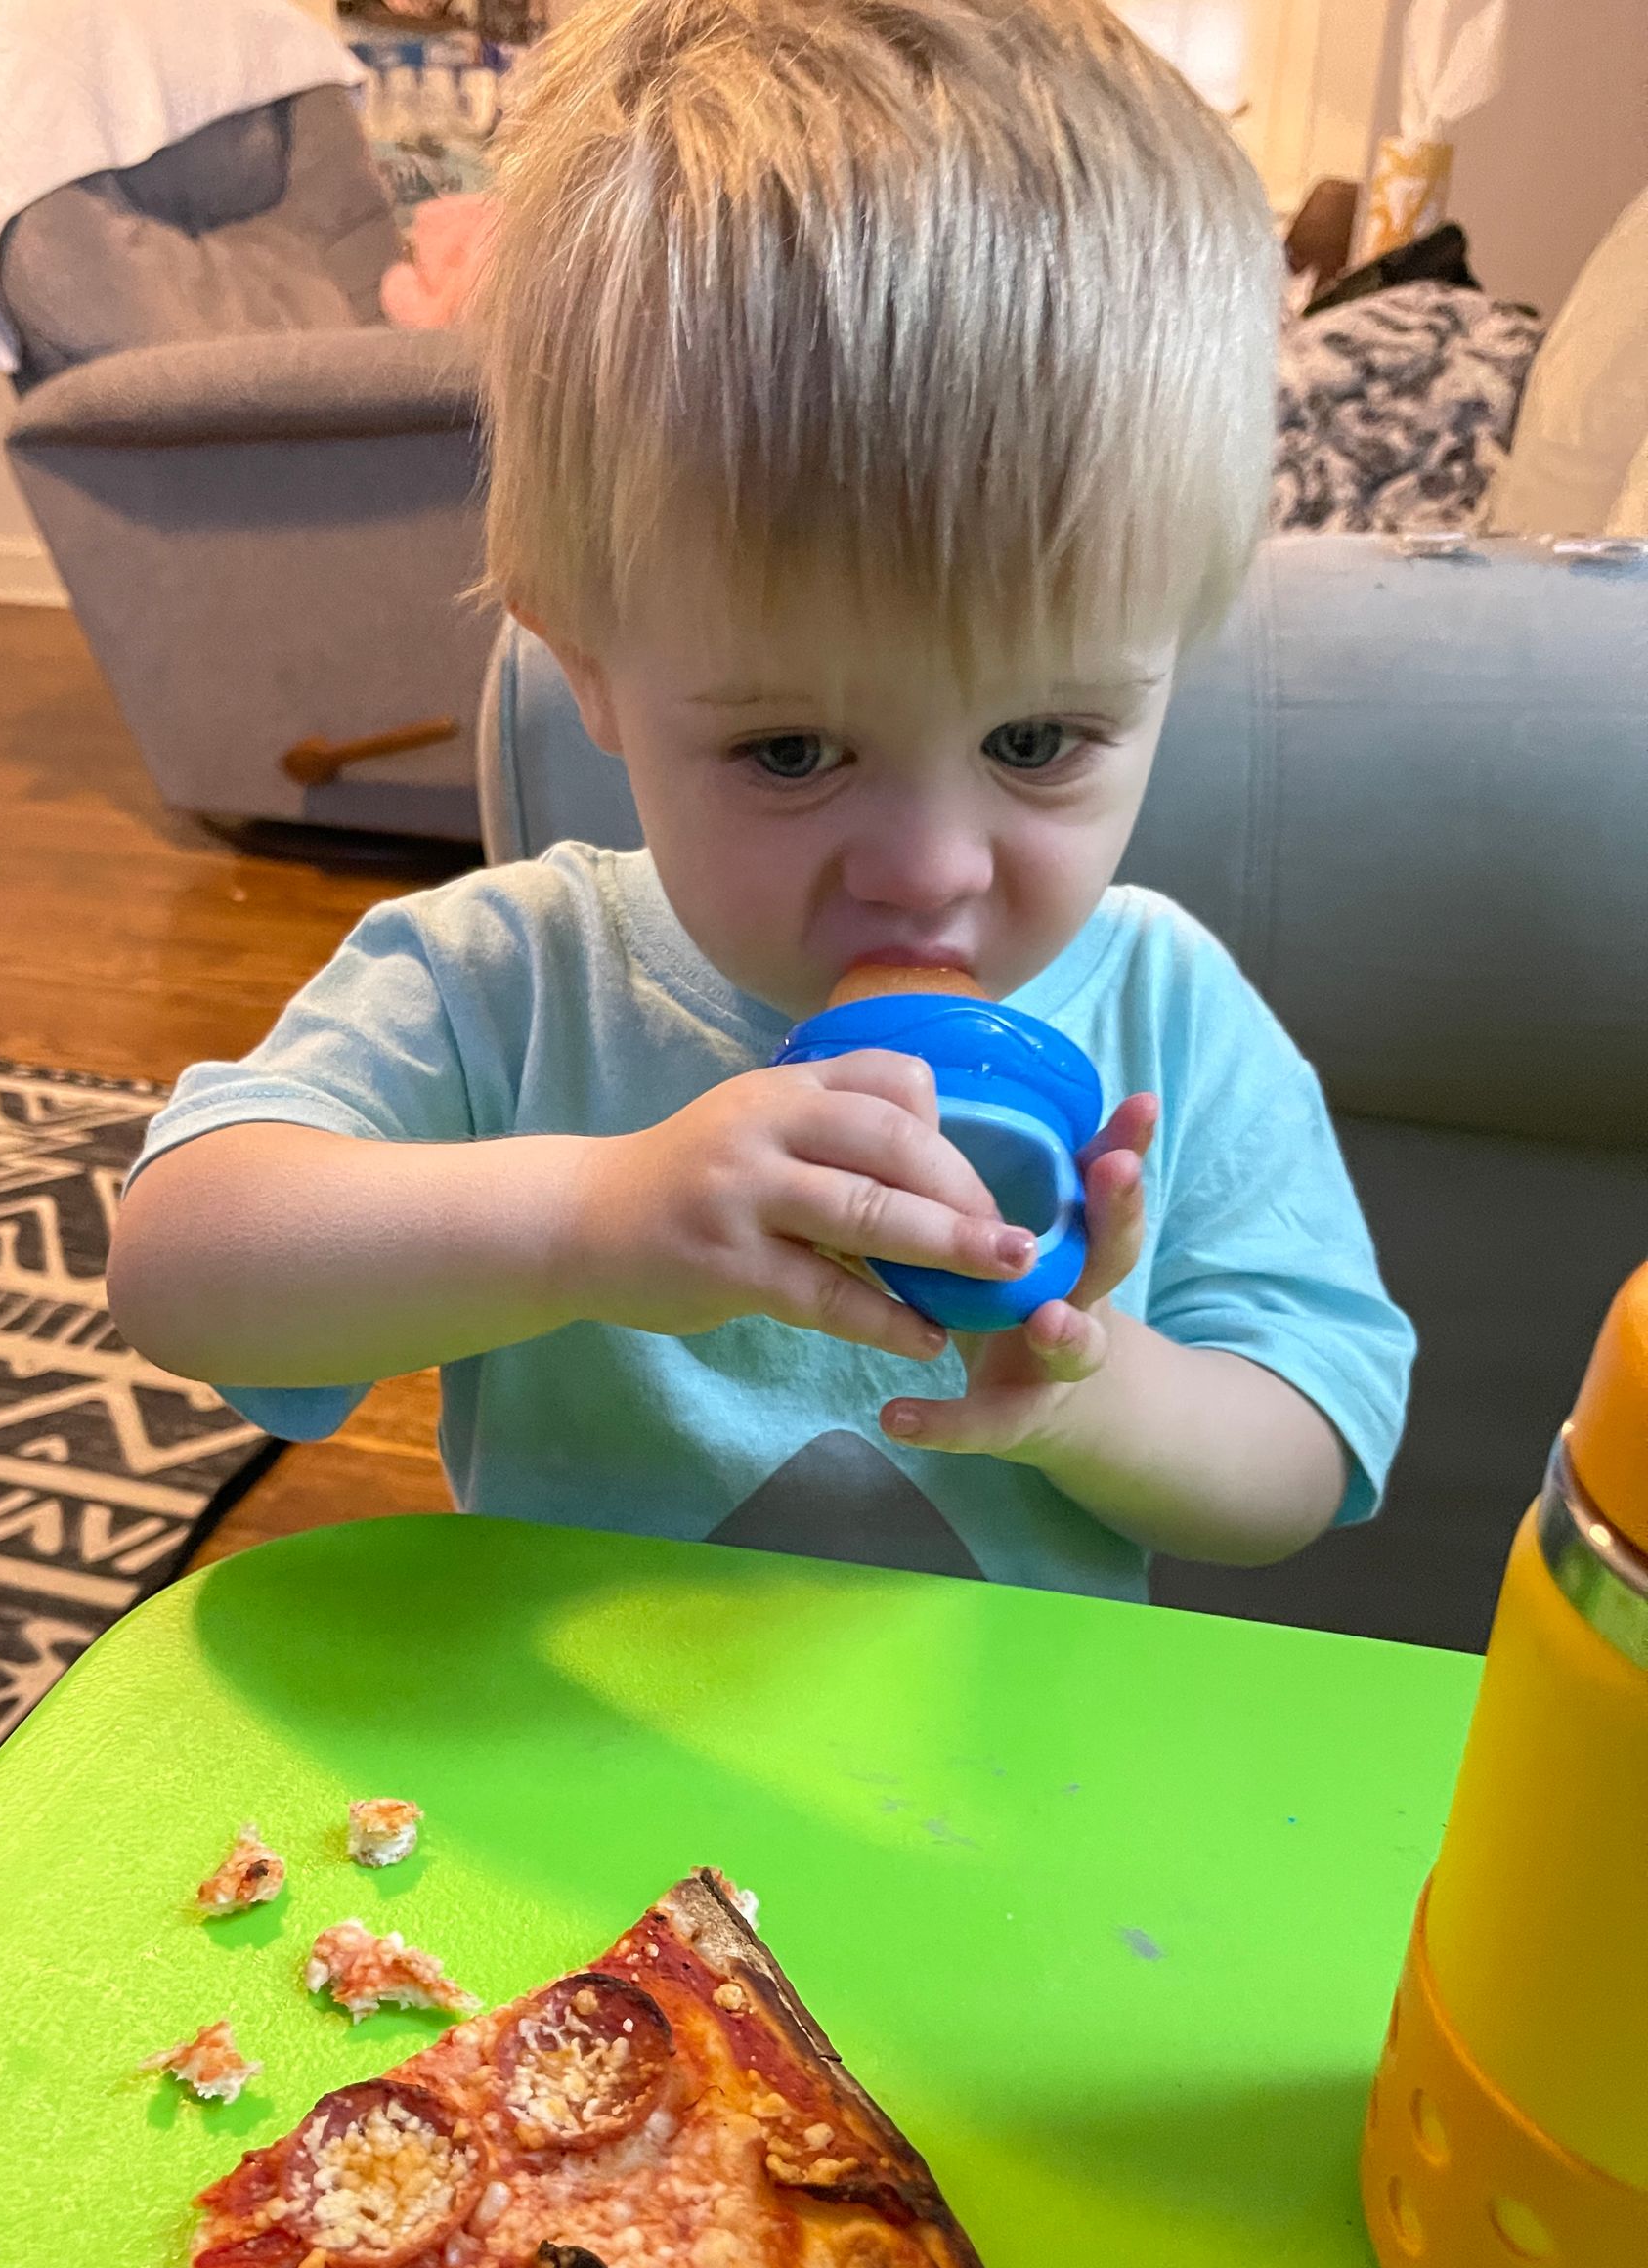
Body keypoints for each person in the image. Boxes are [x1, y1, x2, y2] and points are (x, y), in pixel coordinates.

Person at [108, 0, 1414, 1601]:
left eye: (1037, 739)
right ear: (587, 668)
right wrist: (582, 1218)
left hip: (1015, 1750)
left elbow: (1309, 1447)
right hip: (579, 1732)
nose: (927, 872)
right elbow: (180, 1270)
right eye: (793, 752)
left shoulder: (1169, 1006)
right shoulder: (510, 986)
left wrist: (1095, 1398)